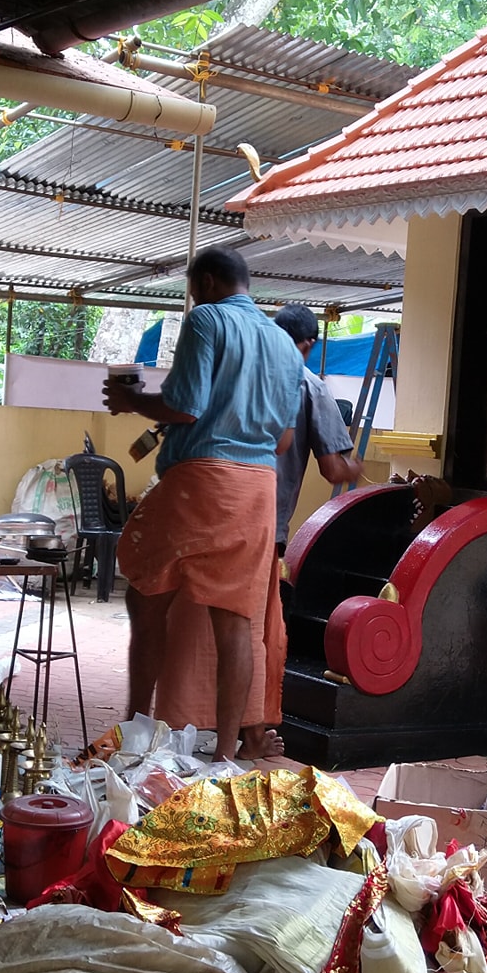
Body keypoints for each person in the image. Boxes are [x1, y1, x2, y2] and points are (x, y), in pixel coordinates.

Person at [104, 247, 301, 761]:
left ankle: (137, 729)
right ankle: (226, 754)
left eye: (193, 289)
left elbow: (184, 407)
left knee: (145, 597)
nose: (193, 298)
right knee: (235, 622)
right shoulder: (284, 343)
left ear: (207, 283)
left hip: (202, 481)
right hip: (259, 486)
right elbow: (282, 440)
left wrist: (131, 401)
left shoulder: (206, 320)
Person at [269, 305, 365, 552]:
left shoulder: (238, 371)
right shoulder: (310, 386)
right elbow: (333, 471)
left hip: (215, 512)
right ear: (308, 344)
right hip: (267, 525)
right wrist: (355, 469)